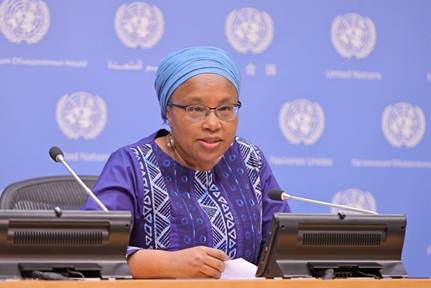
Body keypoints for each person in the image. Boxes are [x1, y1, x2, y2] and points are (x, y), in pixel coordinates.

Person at [83, 46, 290, 279]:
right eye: (195, 109)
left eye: (225, 109)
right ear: (168, 113)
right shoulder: (131, 165)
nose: (213, 123)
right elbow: (90, 249)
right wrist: (167, 264)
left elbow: (286, 249)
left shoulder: (250, 160)